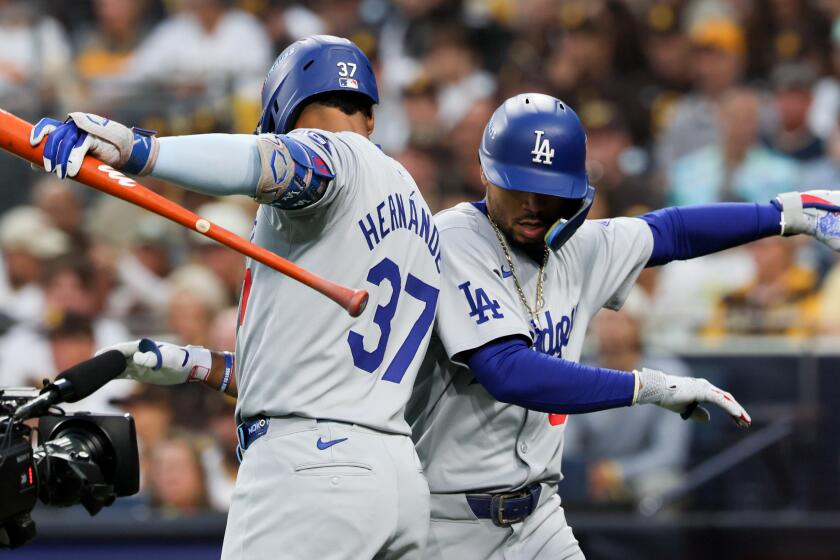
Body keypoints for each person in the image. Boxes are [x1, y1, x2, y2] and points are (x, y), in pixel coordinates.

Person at [30, 35, 440, 560]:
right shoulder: (416, 206)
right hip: (398, 478)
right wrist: (197, 364)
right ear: (370, 114)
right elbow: (322, 370)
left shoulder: (333, 154)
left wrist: (139, 149)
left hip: (311, 470)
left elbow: (266, 163)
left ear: (280, 110)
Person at [406, 93, 840, 559]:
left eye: (548, 190)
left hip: (539, 518)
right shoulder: (455, 239)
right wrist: (648, 386)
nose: (533, 204)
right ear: (487, 172)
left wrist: (786, 214)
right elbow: (507, 370)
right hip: (446, 523)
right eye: (518, 187)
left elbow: (669, 232)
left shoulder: (576, 248)